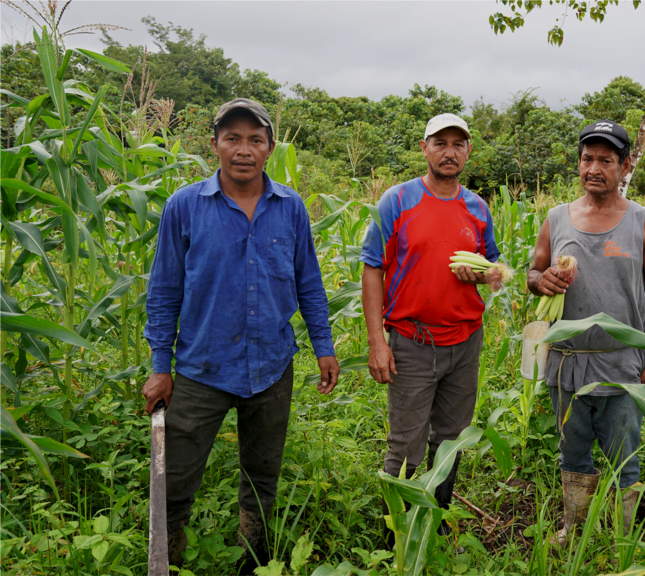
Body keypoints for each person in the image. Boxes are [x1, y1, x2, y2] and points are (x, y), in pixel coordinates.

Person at [142, 98, 341, 574]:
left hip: (271, 367)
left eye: (255, 139)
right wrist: (159, 366)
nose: (244, 149)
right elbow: (165, 288)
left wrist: (324, 347)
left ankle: (253, 563)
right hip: (199, 368)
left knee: (262, 481)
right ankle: (166, 561)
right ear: (214, 146)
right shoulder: (185, 206)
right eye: (232, 138)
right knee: (175, 482)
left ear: (270, 148)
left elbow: (308, 281)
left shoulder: (291, 207)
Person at [527, 119, 645, 545]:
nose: (594, 168)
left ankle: (623, 535)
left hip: (622, 364)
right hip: (567, 364)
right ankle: (575, 528)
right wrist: (540, 280)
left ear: (625, 167)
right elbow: (532, 272)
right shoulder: (556, 219)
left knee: (625, 455)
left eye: (606, 160)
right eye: (587, 159)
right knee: (572, 452)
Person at [360, 113, 499, 542]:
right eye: (440, 143)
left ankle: (434, 524)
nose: (449, 151)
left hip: (465, 343)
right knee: (405, 443)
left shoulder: (477, 207)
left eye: (458, 144)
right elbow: (372, 268)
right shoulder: (398, 201)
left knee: (451, 439)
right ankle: (393, 537)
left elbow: (491, 267)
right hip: (412, 342)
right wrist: (377, 342)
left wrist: (486, 275)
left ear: (468, 152)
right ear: (424, 148)